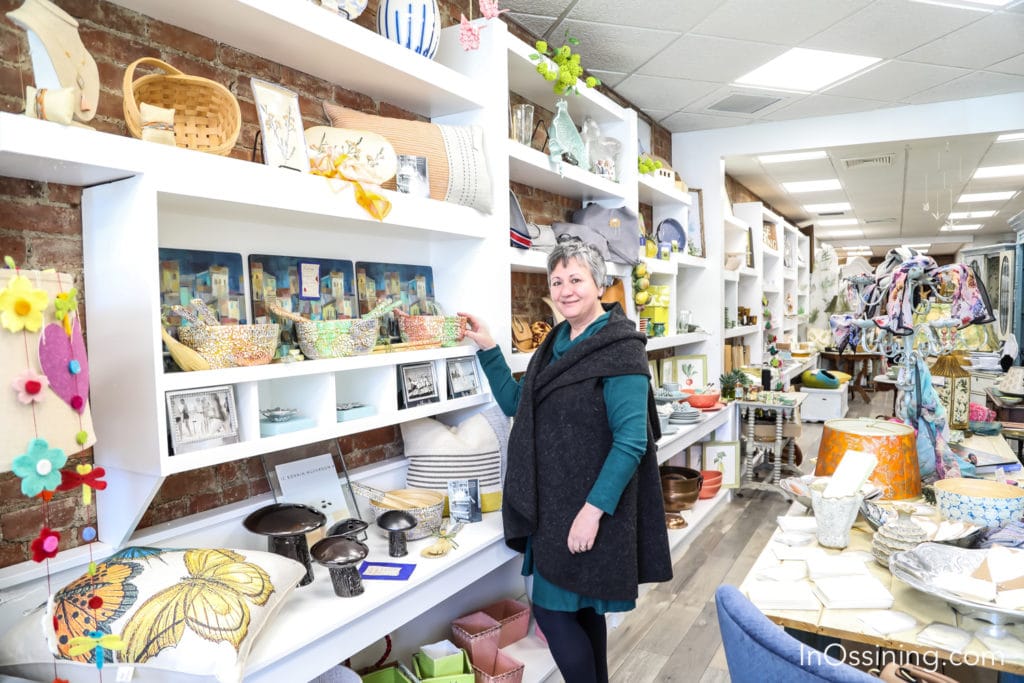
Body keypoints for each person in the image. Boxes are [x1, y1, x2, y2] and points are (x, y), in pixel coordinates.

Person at [459, 241, 671, 683]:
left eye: (576, 279)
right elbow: (520, 402)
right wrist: (488, 347)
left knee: (555, 616)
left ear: (599, 283)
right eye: (557, 281)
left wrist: (591, 514)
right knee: (583, 613)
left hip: (592, 508)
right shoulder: (555, 344)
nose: (565, 290)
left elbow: (632, 441)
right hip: (553, 507)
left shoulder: (620, 349)